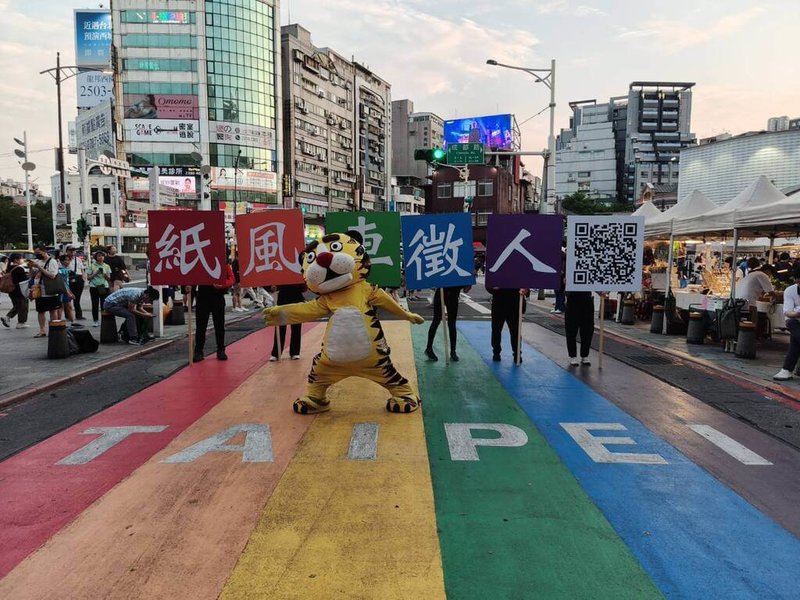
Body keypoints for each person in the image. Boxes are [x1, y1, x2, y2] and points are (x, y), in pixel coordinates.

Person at [191, 260, 235, 361]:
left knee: (219, 325)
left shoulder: (223, 263)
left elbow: (232, 279)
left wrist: (222, 284)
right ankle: (198, 351)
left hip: (217, 297)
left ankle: (221, 349)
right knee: (201, 326)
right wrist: (186, 289)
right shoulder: (199, 261)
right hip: (202, 297)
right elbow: (191, 277)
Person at [28, 243, 62, 338]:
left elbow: (52, 275)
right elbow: (32, 275)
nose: (37, 255)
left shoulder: (52, 262)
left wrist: (39, 267)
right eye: (35, 253)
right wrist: (31, 268)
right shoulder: (37, 261)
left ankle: (54, 329)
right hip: (39, 290)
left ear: (44, 251)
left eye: (39, 252)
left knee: (53, 310)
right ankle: (42, 330)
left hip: (50, 290)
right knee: (41, 311)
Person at [425, 286, 465, 361]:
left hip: (452, 294)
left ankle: (453, 351)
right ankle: (429, 348)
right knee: (437, 320)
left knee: (451, 323)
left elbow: (466, 289)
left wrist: (469, 282)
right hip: (442, 292)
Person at [774, 266, 800, 381]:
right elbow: (788, 312)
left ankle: (787, 370)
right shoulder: (790, 290)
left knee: (795, 341)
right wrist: (798, 313)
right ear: (796, 280)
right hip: (793, 320)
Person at [489, 287, 528, 362]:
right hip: (499, 301)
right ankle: (496, 353)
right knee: (496, 329)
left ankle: (517, 353)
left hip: (514, 301)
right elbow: (489, 283)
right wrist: (492, 288)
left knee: (515, 331)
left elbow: (526, 280)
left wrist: (526, 289)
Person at [269, 283, 306, 361]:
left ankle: (295, 352)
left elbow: (304, 288)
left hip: (296, 299)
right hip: (282, 298)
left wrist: (302, 285)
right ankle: (276, 353)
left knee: (296, 327)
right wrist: (273, 287)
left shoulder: (299, 272)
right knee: (280, 327)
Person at [565, 291, 595, 366]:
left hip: (587, 299)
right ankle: (572, 356)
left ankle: (585, 355)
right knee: (571, 329)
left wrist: (600, 292)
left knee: (587, 330)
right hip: (572, 299)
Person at [1, 254, 29, 328]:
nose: (22, 260)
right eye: (21, 258)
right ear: (16, 260)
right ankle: (20, 322)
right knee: (23, 306)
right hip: (19, 290)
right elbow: (23, 281)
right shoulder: (19, 269)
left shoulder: (9, 267)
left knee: (17, 306)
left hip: (11, 291)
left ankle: (9, 318)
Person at [87, 251, 112, 326]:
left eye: (102, 256)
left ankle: (104, 319)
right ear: (96, 257)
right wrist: (96, 273)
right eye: (99, 256)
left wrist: (104, 274)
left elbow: (109, 278)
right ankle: (95, 320)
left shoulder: (107, 266)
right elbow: (88, 277)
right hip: (94, 287)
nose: (101, 257)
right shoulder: (92, 266)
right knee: (95, 304)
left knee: (103, 304)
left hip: (104, 287)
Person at [65, 246, 86, 320]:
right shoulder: (64, 259)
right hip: (69, 278)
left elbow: (82, 269)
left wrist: (83, 278)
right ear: (67, 251)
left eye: (73, 250)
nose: (72, 252)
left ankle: (79, 315)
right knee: (68, 298)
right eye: (70, 250)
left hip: (78, 278)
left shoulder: (78, 259)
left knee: (77, 298)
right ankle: (68, 315)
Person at [57, 254, 77, 323]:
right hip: (63, 291)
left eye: (69, 260)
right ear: (61, 261)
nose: (68, 262)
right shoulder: (61, 270)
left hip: (66, 290)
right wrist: (69, 292)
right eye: (66, 260)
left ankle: (73, 321)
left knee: (69, 306)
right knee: (61, 306)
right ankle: (58, 321)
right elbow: (63, 282)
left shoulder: (67, 270)